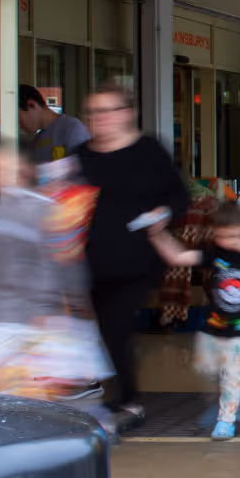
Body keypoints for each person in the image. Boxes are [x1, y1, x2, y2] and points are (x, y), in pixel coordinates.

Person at [74, 80, 189, 430]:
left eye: (106, 111)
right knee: (99, 332)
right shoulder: (80, 156)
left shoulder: (148, 150)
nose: (99, 119)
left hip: (134, 259)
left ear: (127, 113)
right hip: (87, 261)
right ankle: (109, 395)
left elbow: (177, 196)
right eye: (92, 112)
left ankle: (129, 402)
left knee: (117, 326)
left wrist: (162, 215)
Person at [146, 202, 240, 439]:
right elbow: (178, 257)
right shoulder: (214, 253)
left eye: (232, 235)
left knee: (231, 373)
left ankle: (225, 421)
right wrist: (156, 233)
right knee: (207, 367)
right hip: (214, 326)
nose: (228, 241)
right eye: (221, 236)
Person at [19, 84, 90, 163]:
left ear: (32, 105)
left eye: (19, 119)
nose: (19, 125)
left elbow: (79, 166)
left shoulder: (72, 128)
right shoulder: (36, 141)